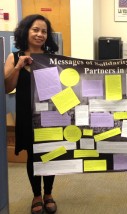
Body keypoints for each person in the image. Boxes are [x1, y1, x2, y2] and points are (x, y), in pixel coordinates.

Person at [4, 14, 59, 214]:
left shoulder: (51, 58)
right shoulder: (14, 57)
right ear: (26, 31)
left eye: (44, 31)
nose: (40, 34)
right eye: (35, 29)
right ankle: (36, 195)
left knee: (50, 153)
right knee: (32, 155)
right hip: (27, 114)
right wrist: (19, 67)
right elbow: (7, 87)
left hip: (49, 113)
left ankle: (49, 193)